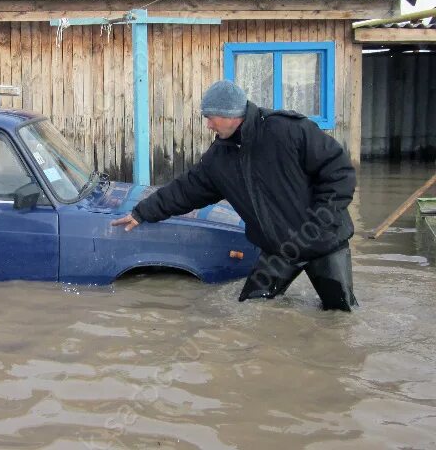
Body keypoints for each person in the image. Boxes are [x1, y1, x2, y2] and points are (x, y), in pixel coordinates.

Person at [111, 80, 358, 311]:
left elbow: (339, 172)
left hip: (324, 241)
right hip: (279, 250)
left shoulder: (287, 130)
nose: (208, 125)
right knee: (252, 308)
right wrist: (142, 212)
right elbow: (186, 189)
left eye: (210, 117)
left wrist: (320, 221)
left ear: (230, 115)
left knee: (340, 315)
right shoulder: (219, 158)